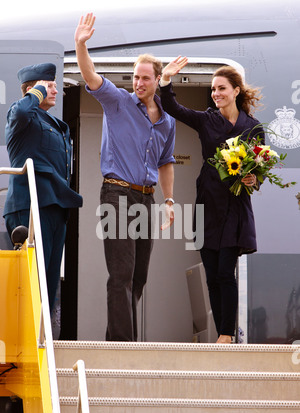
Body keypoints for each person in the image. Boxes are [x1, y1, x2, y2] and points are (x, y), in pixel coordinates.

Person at [75, 13, 176, 341]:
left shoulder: (167, 122)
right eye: (136, 77)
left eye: (146, 78)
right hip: (116, 194)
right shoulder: (117, 102)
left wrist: (170, 199)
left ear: (158, 80)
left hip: (147, 198)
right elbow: (90, 75)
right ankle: (125, 347)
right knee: (120, 274)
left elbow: (166, 163)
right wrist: (80, 44)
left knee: (138, 277)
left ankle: (114, 343)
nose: (139, 83)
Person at [160, 57, 264, 344]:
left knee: (224, 272)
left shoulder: (253, 127)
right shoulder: (206, 119)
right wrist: (166, 80)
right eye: (213, 89)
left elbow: (260, 170)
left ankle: (226, 334)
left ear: (236, 91)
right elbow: (173, 108)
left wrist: (253, 179)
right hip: (207, 203)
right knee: (211, 275)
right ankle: (223, 333)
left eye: (222, 88)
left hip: (235, 205)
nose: (216, 93)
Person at [4, 62, 83, 316]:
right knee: (30, 278)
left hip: (55, 206)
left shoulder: (55, 124)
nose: (56, 91)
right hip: (30, 205)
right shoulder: (22, 115)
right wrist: (36, 92)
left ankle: (42, 337)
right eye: (50, 86)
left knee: (48, 281)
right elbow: (21, 113)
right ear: (32, 89)